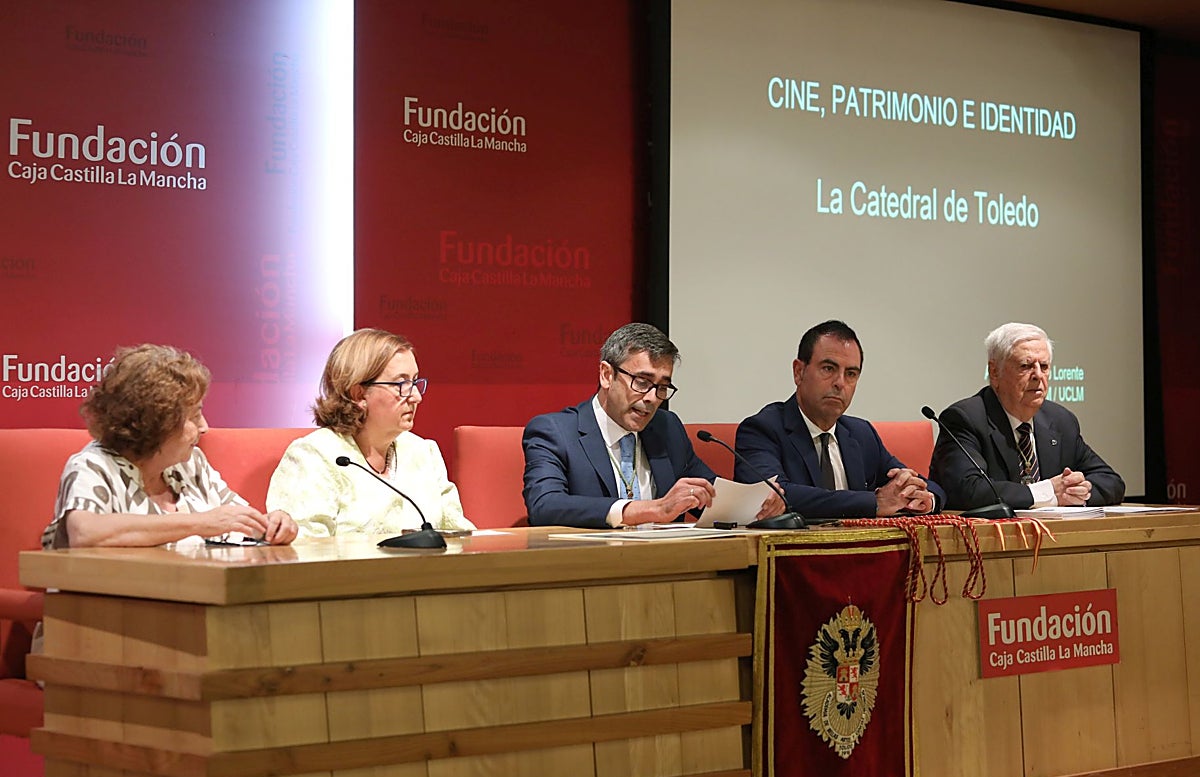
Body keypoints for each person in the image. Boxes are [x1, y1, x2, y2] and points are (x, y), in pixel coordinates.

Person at [523, 322, 785, 528]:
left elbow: (706, 496)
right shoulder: (555, 432)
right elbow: (545, 505)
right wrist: (652, 510)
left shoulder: (666, 427)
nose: (651, 398)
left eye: (662, 387)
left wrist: (756, 506)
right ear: (606, 375)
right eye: (642, 382)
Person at [42, 344, 297, 548]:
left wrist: (273, 525)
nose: (205, 427)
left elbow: (237, 519)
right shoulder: (93, 466)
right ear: (157, 422)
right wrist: (198, 523)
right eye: (194, 416)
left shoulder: (191, 463)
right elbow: (85, 532)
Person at [267, 328, 473, 537]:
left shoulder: (423, 452)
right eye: (402, 384)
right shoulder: (314, 456)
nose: (416, 396)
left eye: (415, 381)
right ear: (359, 394)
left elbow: (460, 535)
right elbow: (305, 549)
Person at [736, 320, 944, 519]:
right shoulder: (762, 429)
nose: (840, 383)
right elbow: (771, 496)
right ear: (799, 372)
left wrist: (924, 498)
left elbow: (928, 486)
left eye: (851, 374)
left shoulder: (861, 434)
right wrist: (874, 503)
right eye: (828, 369)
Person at [930, 322, 1124, 510]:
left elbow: (1111, 481)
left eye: (1045, 366)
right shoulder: (965, 419)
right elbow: (967, 490)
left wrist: (1081, 491)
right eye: (1025, 366)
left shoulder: (1060, 420)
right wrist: (1047, 493)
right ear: (995, 372)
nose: (1038, 375)